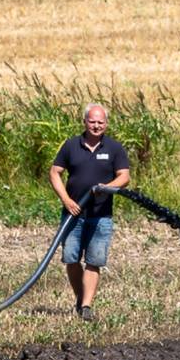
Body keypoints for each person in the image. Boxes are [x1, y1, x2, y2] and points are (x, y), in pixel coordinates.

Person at [49, 103, 131, 322]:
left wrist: (106, 187)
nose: (96, 126)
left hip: (101, 215)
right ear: (85, 122)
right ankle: (79, 297)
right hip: (73, 214)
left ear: (106, 124)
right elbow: (55, 173)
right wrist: (66, 200)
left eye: (100, 122)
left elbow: (124, 176)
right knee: (71, 258)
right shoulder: (71, 146)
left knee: (94, 260)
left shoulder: (114, 148)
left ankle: (86, 306)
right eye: (92, 121)